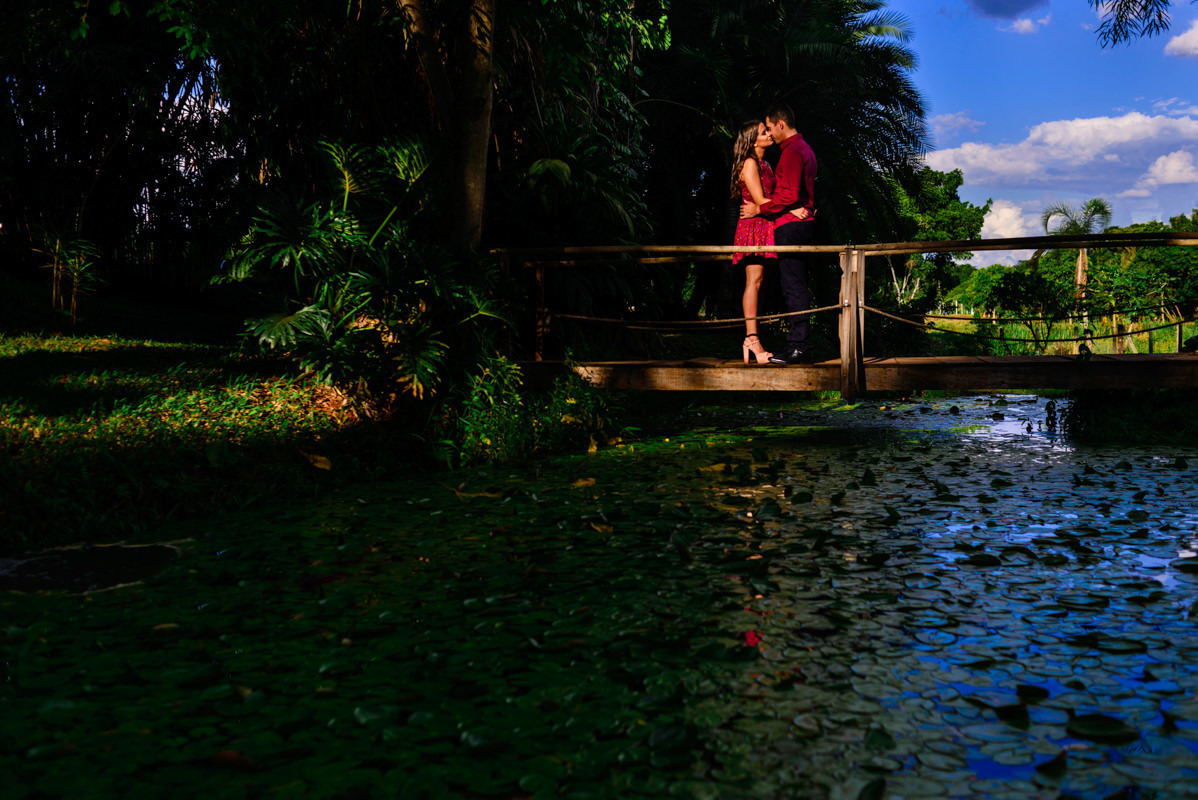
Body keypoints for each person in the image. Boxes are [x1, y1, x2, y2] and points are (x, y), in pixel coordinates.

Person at [741, 103, 817, 364]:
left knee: (791, 286)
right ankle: (772, 341)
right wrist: (793, 205)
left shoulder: (792, 151)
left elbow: (786, 194)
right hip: (769, 223)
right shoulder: (796, 150)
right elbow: (786, 195)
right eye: (765, 131)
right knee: (775, 283)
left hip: (783, 224)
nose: (770, 134)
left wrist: (790, 205)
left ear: (780, 124)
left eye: (770, 128)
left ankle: (799, 347)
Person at [730, 120, 778, 364]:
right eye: (764, 132)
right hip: (753, 227)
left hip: (764, 223)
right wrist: (787, 207)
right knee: (754, 281)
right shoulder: (750, 164)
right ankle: (751, 338)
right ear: (752, 140)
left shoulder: (766, 164)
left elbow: (766, 203)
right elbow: (760, 199)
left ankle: (753, 338)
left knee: (759, 281)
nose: (769, 133)